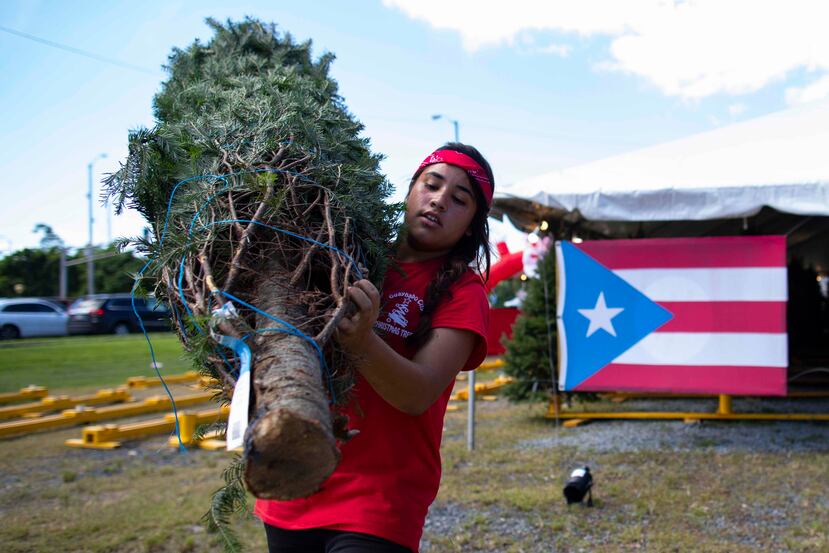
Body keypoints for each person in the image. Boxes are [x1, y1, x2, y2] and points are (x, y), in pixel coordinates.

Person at [255, 142, 494, 553]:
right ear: (409, 191)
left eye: (459, 199)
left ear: (472, 225)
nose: (438, 201)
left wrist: (363, 341)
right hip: (298, 476)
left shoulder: (463, 291)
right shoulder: (346, 254)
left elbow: (418, 394)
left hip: (381, 500)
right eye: (430, 185)